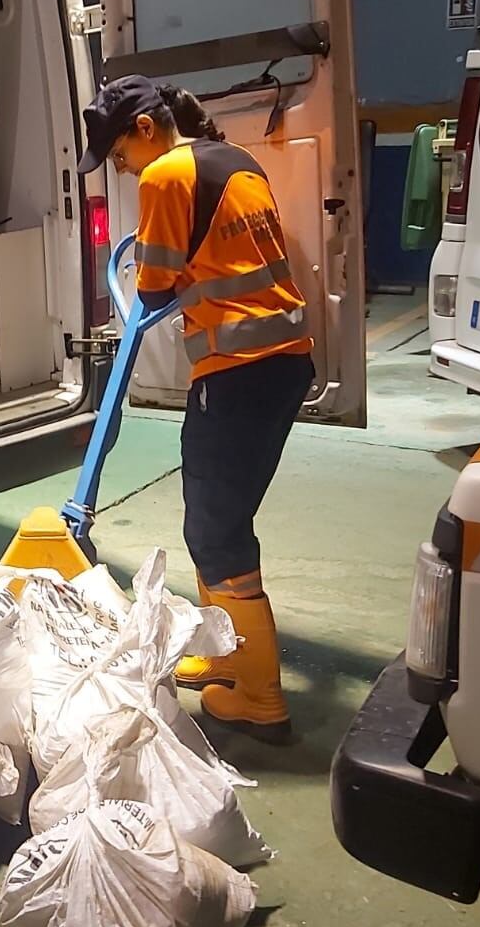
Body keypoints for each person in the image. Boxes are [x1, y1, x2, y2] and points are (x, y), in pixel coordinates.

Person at [77, 73, 314, 742]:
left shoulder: (166, 177)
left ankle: (260, 696)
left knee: (215, 529)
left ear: (144, 130)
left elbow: (152, 283)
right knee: (221, 517)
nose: (122, 170)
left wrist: (158, 278)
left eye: (118, 155)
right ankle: (229, 655)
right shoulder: (237, 161)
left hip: (237, 372)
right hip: (284, 364)